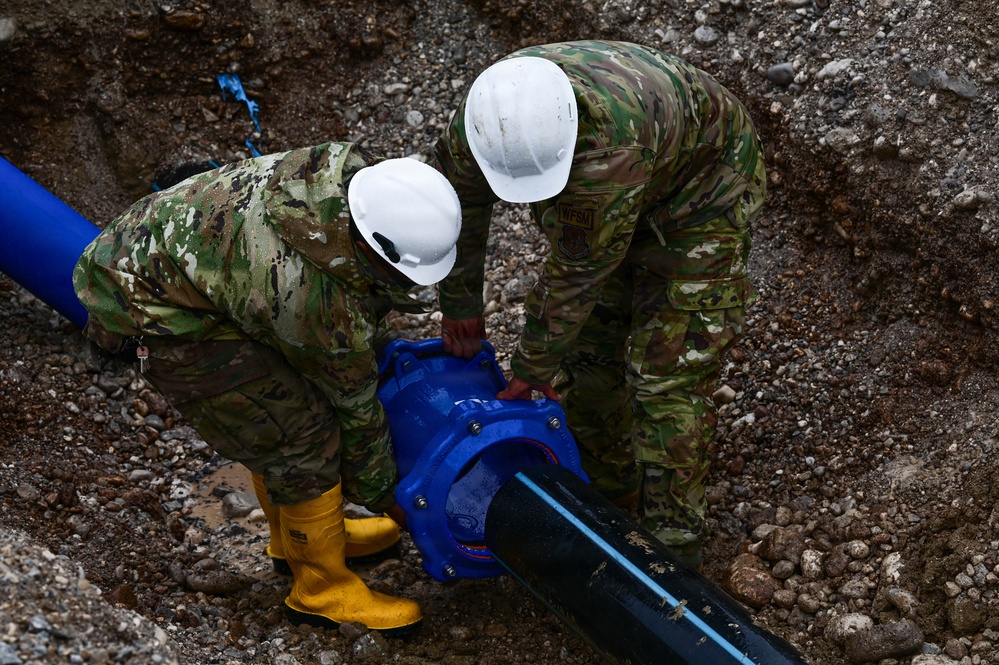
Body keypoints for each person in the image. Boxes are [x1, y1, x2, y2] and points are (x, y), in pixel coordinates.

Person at [73, 142, 463, 635]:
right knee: (295, 432)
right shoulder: (305, 295)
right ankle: (320, 588)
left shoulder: (351, 177)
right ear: (370, 246)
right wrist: (402, 503)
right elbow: (357, 410)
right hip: (150, 314)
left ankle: (299, 538)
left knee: (288, 402)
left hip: (163, 256)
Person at [433, 40, 766, 569]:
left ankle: (671, 550)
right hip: (622, 178)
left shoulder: (610, 150)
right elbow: (461, 210)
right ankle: (604, 493)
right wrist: (459, 303)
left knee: (666, 378)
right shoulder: (483, 120)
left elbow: (575, 275)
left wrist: (529, 370)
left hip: (700, 198)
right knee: (589, 353)